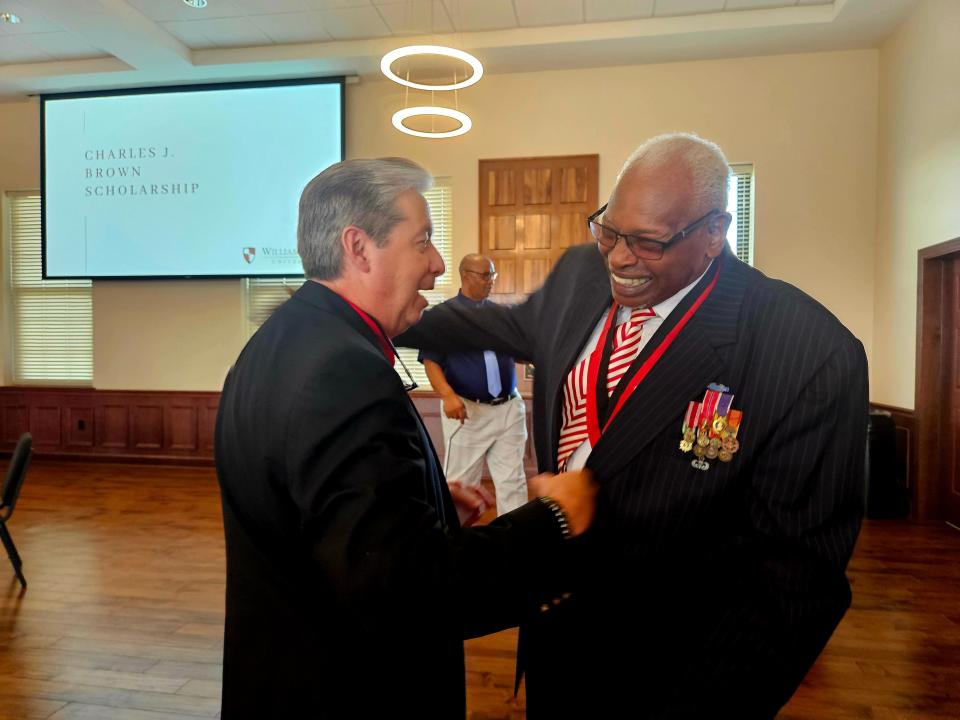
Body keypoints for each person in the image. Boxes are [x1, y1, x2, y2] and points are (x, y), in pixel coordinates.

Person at [397, 133, 869, 718]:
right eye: (610, 232)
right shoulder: (582, 276)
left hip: (671, 669)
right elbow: (504, 330)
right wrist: (383, 321)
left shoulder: (806, 353)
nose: (620, 258)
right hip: (553, 632)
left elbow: (794, 585)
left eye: (648, 242)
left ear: (714, 233)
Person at [214, 157, 596, 719]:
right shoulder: (342, 373)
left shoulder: (283, 338)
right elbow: (412, 594)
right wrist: (553, 522)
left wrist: (430, 508)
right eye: (423, 242)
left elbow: (333, 529)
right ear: (359, 247)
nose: (439, 266)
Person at [420, 253, 528, 516]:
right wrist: (447, 396)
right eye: (485, 275)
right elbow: (431, 362)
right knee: (461, 485)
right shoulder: (442, 317)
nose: (491, 281)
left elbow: (519, 352)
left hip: (509, 409)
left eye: (493, 275)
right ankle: (454, 545)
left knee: (513, 482)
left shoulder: (501, 314)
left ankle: (518, 547)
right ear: (466, 275)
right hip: (468, 412)